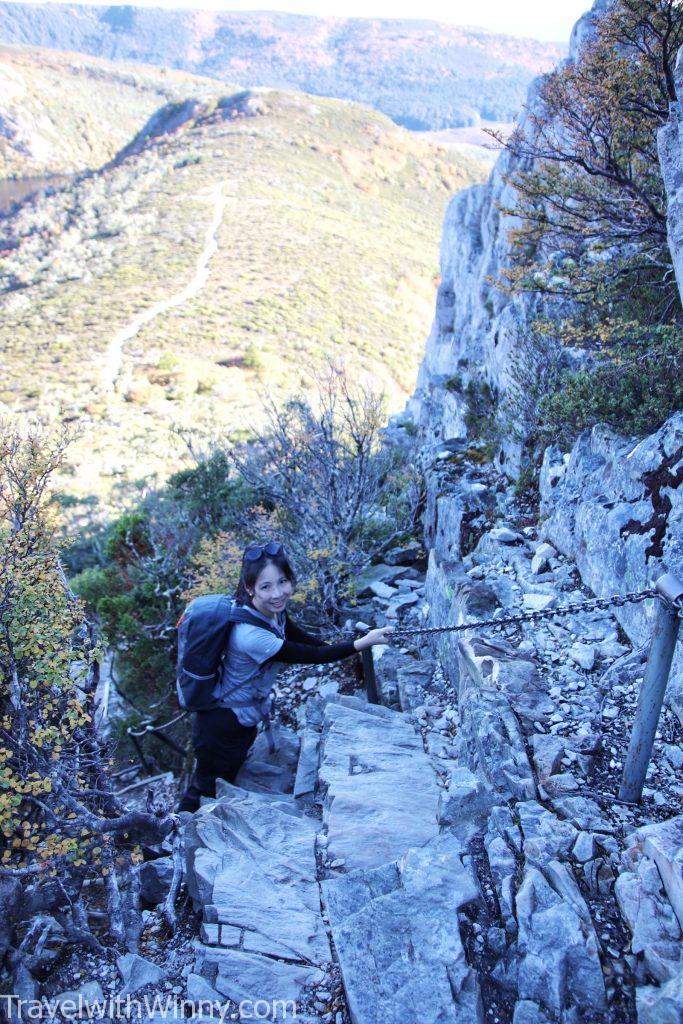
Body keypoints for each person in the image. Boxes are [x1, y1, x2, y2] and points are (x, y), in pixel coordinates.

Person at [177, 540, 392, 812]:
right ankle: (168, 841)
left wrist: (338, 645)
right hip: (222, 724)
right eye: (266, 587)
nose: (278, 593)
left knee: (228, 777)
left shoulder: (270, 613)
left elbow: (300, 637)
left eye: (283, 582)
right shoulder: (251, 636)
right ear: (249, 588)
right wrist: (363, 643)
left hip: (242, 717)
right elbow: (307, 655)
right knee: (205, 788)